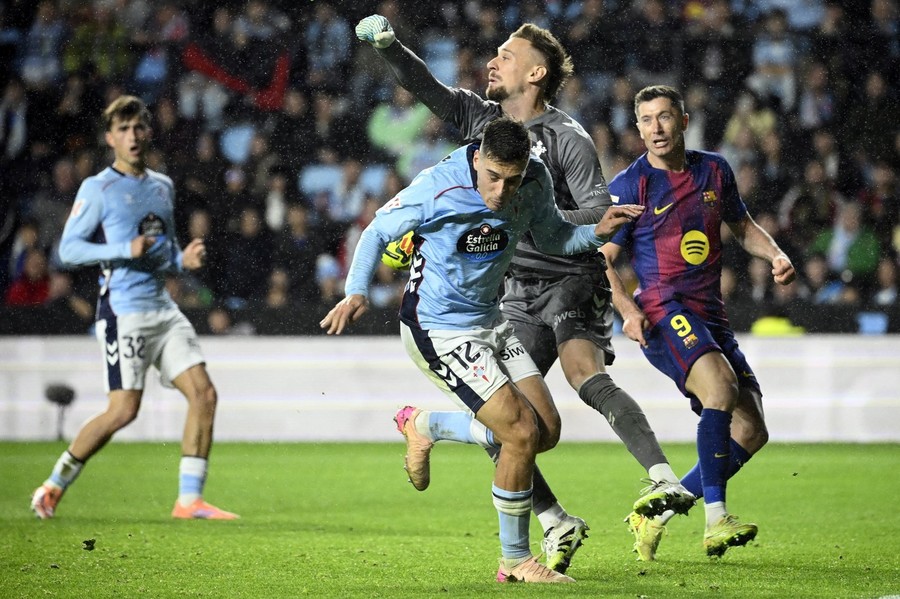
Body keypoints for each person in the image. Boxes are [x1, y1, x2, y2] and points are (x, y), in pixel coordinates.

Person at [355, 14, 695, 572]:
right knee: (519, 427)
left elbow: (591, 211)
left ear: (535, 72)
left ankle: (656, 477)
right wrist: (391, 46)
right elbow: (423, 86)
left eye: (505, 55)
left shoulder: (568, 138)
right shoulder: (482, 120)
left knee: (573, 390)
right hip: (509, 290)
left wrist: (545, 219)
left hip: (569, 275)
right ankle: (545, 525)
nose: (493, 61)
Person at [320, 116, 643, 583]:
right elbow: (374, 233)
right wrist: (356, 291)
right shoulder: (437, 187)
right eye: (493, 177)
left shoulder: (533, 178)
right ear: (477, 159)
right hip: (438, 328)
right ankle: (515, 560)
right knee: (519, 433)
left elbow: (553, 236)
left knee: (545, 432)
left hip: (492, 321)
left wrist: (598, 232)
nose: (501, 191)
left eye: (511, 180)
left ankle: (424, 425)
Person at [601, 85, 796, 560]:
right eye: (646, 120)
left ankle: (656, 513)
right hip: (664, 309)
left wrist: (774, 252)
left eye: (665, 117)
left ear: (684, 121)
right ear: (638, 127)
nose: (656, 128)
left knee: (751, 431)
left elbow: (743, 226)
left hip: (711, 313)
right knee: (720, 389)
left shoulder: (714, 169)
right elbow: (600, 259)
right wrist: (627, 311)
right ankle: (716, 520)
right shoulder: (632, 184)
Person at [30, 95, 238, 521]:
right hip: (124, 312)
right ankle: (54, 484)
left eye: (139, 127)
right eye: (123, 129)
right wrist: (124, 248)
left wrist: (183, 260)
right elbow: (68, 249)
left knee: (205, 394)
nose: (133, 136)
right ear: (110, 138)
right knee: (124, 410)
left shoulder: (162, 185)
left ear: (149, 131)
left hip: (162, 307)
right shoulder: (98, 188)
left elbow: (165, 248)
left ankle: (188, 501)